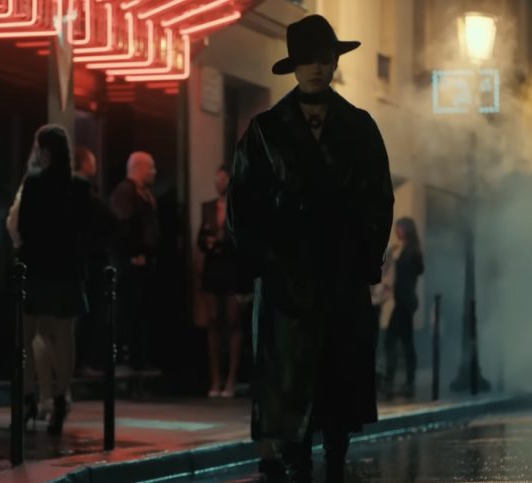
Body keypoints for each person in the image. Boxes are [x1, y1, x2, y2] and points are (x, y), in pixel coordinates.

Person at [227, 15, 394, 483]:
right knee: (288, 380)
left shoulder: (360, 126)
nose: (317, 67)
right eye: (307, 60)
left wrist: (366, 259)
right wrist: (258, 260)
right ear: (294, 66)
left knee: (339, 378)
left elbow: (379, 198)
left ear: (335, 62)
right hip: (286, 279)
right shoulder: (265, 129)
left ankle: (335, 461)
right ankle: (294, 461)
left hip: (341, 273)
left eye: (324, 58)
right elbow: (242, 201)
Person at [16, 125, 91, 435]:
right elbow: (86, 226)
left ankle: (29, 398)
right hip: (68, 266)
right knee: (65, 332)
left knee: (32, 333)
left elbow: (24, 226)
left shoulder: (34, 182)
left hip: (38, 266)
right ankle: (61, 398)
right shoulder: (80, 185)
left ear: (44, 150)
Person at [197, 164, 251, 398]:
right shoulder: (208, 207)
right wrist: (209, 242)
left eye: (223, 178)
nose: (219, 183)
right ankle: (215, 379)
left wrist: (219, 240)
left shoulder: (239, 207)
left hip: (231, 270)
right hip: (213, 270)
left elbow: (240, 239)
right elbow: (201, 239)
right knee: (213, 322)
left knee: (233, 322)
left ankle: (231, 380)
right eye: (216, 178)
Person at [109, 151, 159, 370]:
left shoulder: (144, 194)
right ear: (138, 167)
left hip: (142, 264)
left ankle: (139, 361)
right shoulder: (124, 193)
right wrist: (133, 253)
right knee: (129, 313)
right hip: (130, 266)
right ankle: (128, 360)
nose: (154, 172)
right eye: (150, 167)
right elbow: (123, 227)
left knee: (140, 314)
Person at [73, 146, 116, 376]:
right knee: (89, 313)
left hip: (82, 259)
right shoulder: (85, 193)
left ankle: (79, 361)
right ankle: (81, 361)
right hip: (90, 260)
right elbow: (109, 220)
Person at [382, 217, 424, 399]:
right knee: (406, 342)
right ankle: (406, 380)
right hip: (404, 301)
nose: (396, 231)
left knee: (392, 341)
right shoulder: (406, 250)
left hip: (405, 302)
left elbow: (416, 270)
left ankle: (392, 380)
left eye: (398, 228)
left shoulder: (412, 252)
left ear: (406, 230)